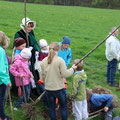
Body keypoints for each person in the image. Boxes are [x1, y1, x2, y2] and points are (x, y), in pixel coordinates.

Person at [41, 42, 77, 120]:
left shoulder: (43, 61)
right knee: (63, 107)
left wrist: (46, 84)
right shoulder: (60, 60)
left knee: (51, 107)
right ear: (58, 50)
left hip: (48, 89)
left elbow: (43, 76)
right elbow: (65, 74)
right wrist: (73, 69)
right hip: (59, 89)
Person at [14, 17, 41, 94]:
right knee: (24, 72)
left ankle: (32, 89)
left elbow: (34, 42)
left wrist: (35, 50)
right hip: (23, 58)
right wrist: (26, 50)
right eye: (28, 27)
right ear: (24, 26)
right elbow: (17, 46)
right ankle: (24, 92)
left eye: (31, 26)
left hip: (31, 57)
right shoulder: (19, 34)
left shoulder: (31, 33)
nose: (30, 28)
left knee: (31, 72)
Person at [0, 31, 12, 120]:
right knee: (0, 100)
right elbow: (2, 68)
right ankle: (3, 117)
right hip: (1, 81)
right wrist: (7, 81)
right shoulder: (1, 51)